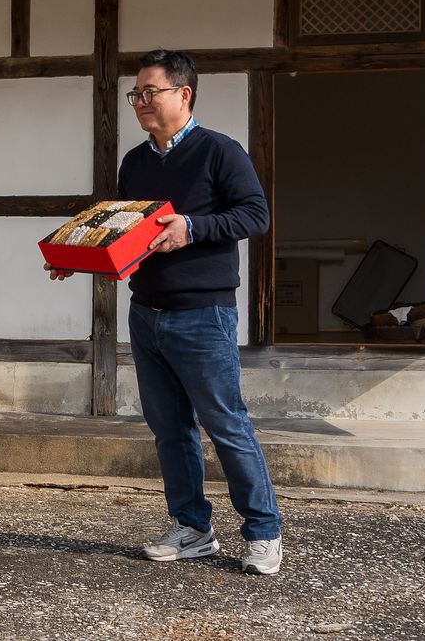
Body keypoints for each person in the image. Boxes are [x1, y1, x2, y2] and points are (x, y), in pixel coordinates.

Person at [50, 48, 283, 575]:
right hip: (147, 312)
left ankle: (264, 532)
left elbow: (255, 214)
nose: (140, 103)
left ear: (184, 94)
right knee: (170, 429)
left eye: (149, 92)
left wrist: (193, 227)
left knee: (226, 423)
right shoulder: (135, 162)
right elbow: (121, 227)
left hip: (204, 313)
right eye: (135, 94)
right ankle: (192, 528)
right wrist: (78, 256)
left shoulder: (220, 152)